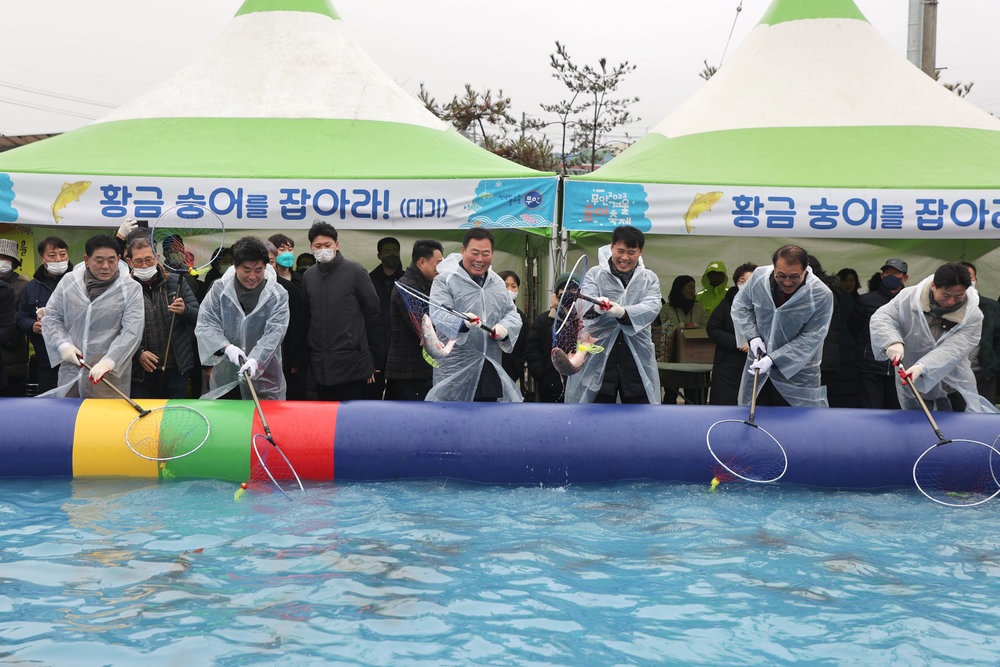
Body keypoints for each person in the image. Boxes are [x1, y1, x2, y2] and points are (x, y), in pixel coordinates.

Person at [870, 262, 997, 413]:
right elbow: (882, 317)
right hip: (910, 379)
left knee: (957, 426)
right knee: (916, 423)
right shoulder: (909, 298)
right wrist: (892, 341)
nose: (951, 302)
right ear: (933, 286)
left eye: (958, 296)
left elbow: (954, 349)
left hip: (952, 382)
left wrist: (923, 366)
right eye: (946, 295)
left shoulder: (972, 315)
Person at [565, 225, 662, 404]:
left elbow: (653, 306)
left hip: (636, 359)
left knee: (639, 409)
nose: (624, 257)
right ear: (611, 247)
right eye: (620, 251)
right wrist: (596, 307)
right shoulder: (595, 274)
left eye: (631, 252)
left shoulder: (650, 278)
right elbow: (582, 305)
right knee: (594, 410)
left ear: (640, 251)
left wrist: (623, 312)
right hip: (597, 354)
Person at [41, 234, 144, 398]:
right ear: (86, 259)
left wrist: (110, 361)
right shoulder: (70, 282)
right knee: (69, 417)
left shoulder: (130, 289)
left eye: (111, 260)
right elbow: (52, 317)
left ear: (119, 259)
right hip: (72, 370)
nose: (106, 266)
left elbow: (132, 331)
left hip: (108, 377)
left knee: (104, 420)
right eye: (99, 260)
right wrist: (62, 344)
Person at [426, 228, 523, 402]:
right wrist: (462, 322)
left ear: (492, 254)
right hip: (455, 370)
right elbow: (438, 313)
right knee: (454, 421)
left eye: (486, 254)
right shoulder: (445, 280)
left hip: (489, 369)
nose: (479, 259)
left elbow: (512, 313)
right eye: (474, 253)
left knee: (488, 421)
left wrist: (504, 328)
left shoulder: (497, 282)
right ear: (463, 250)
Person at [731, 244, 834, 407]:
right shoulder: (759, 278)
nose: (787, 282)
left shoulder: (820, 294)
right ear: (774, 268)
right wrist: (753, 336)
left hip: (797, 371)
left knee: (797, 423)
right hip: (758, 362)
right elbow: (741, 306)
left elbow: (812, 336)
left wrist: (774, 358)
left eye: (794, 277)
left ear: (805, 270)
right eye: (781, 276)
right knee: (754, 413)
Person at [195, 236, 289, 400]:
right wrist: (226, 347)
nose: (253, 276)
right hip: (226, 373)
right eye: (247, 270)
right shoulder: (220, 289)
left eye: (258, 270)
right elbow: (206, 324)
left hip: (264, 375)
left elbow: (275, 332)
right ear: (235, 266)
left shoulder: (277, 294)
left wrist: (255, 361)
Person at [302, 221, 380, 402]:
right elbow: (307, 316)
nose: (323, 249)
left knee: (350, 418)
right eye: (318, 246)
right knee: (325, 420)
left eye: (327, 245)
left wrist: (362, 346)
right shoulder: (309, 276)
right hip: (320, 364)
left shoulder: (355, 271)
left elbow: (373, 312)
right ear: (311, 248)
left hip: (351, 363)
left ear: (336, 245)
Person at [125, 234, 200, 399]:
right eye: (138, 261)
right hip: (141, 371)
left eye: (149, 259)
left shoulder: (175, 281)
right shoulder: (124, 289)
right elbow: (117, 328)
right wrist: (139, 353)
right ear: (129, 262)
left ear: (157, 258)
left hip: (176, 367)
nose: (145, 265)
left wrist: (185, 310)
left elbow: (200, 318)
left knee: (173, 417)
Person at [385, 239, 444, 401]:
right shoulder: (408, 288)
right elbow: (425, 330)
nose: (441, 269)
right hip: (409, 373)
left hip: (420, 371)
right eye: (438, 263)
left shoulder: (428, 284)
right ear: (421, 261)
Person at [847, 258, 909, 409]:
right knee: (871, 410)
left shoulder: (909, 301)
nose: (891, 276)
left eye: (896, 274)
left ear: (905, 278)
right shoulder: (866, 300)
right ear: (882, 276)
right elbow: (854, 328)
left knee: (895, 410)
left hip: (899, 368)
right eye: (888, 273)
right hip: (870, 367)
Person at [16, 236, 72, 394]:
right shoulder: (32, 287)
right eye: (52, 256)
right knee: (52, 406)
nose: (58, 259)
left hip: (78, 359)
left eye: (62, 254)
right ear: (42, 259)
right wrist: (32, 325)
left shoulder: (80, 281)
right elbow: (22, 318)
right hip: (47, 361)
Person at [263, 238, 308, 400]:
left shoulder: (289, 288)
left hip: (287, 356)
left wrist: (296, 360)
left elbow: (297, 326)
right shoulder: (250, 285)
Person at [706, 263, 757, 405]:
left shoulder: (764, 304)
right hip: (728, 366)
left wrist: (753, 343)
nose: (746, 285)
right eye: (742, 280)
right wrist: (738, 342)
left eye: (751, 280)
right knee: (725, 405)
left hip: (755, 365)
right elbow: (713, 329)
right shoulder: (727, 302)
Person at [659, 274, 708, 404]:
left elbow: (706, 329)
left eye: (694, 288)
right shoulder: (666, 309)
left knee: (693, 397)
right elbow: (661, 330)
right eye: (690, 287)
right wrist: (679, 327)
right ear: (679, 289)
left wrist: (696, 327)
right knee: (670, 395)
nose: (693, 291)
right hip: (672, 359)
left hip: (694, 359)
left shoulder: (699, 308)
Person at [525, 272, 572, 403]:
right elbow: (532, 349)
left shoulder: (583, 320)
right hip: (550, 388)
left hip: (578, 386)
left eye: (572, 288)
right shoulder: (544, 320)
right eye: (563, 288)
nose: (567, 292)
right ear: (557, 292)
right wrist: (542, 374)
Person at [367, 236, 404, 400]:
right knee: (371, 400)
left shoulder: (407, 282)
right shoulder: (368, 281)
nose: (392, 254)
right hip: (375, 352)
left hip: (401, 352)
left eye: (396, 251)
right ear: (379, 255)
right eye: (387, 251)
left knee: (399, 401)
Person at [960, 262, 1000, 403]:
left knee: (984, 418)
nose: (966, 280)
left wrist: (994, 365)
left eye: (969, 276)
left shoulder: (990, 307)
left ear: (975, 279)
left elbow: (997, 338)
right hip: (954, 376)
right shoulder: (945, 307)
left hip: (984, 375)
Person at [0, 237, 31, 396]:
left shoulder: (24, 286)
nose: (1, 261)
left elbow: (18, 320)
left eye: (4, 257)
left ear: (13, 261)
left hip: (13, 360)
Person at [497, 269, 528, 389]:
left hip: (512, 371)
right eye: (505, 286)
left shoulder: (521, 317)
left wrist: (517, 365)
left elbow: (525, 346)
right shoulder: (491, 313)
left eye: (514, 286)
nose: (510, 290)